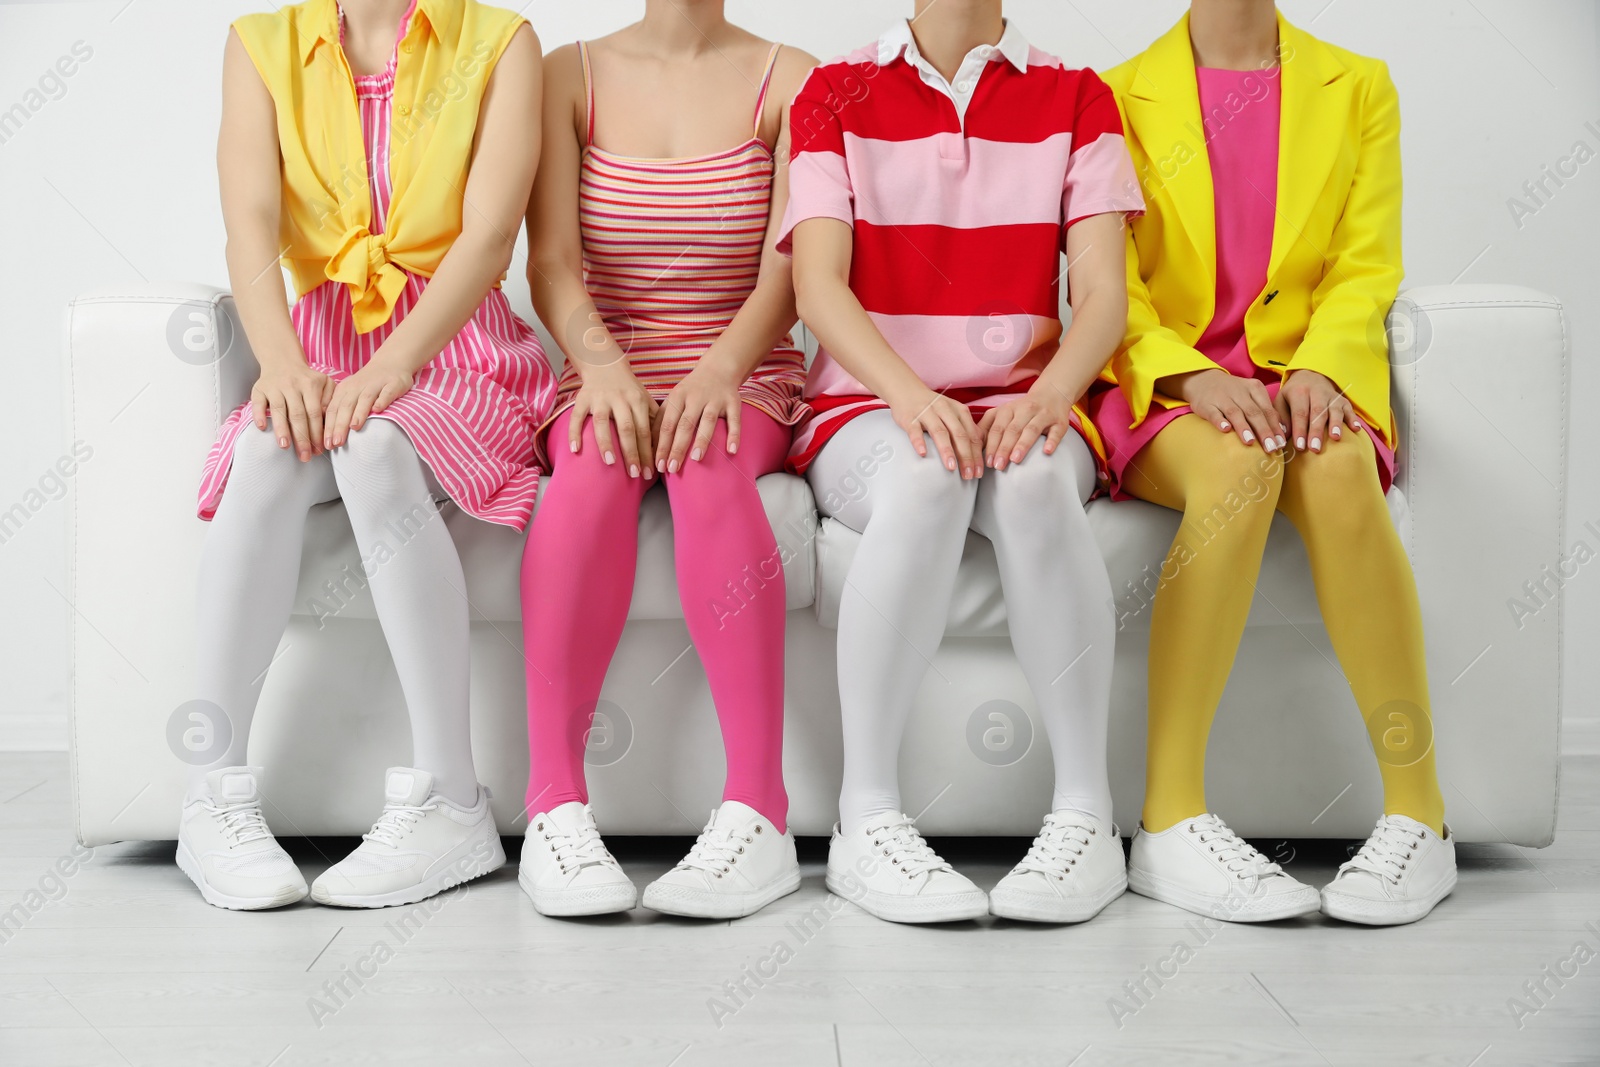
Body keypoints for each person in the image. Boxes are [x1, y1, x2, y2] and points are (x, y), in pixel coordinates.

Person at [178, 0, 555, 910]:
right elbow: (252, 225)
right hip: (317, 341)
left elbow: (489, 236)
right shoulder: (259, 45)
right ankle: (210, 792)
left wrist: (392, 366)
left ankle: (450, 796)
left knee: (378, 447)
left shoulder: (499, 41)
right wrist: (282, 367)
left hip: (455, 349)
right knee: (270, 453)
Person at [1092, 1, 1454, 925]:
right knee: (1239, 469)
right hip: (1171, 393)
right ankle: (1167, 817)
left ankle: (1421, 816)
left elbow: (1365, 265)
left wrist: (1326, 365)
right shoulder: (1115, 95)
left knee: (1336, 470)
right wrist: (1187, 374)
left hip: (1312, 376)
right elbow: (1106, 285)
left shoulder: (1358, 83)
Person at [785, 0, 1144, 924]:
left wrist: (1052, 394)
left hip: (1028, 401)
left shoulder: (1077, 97)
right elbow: (817, 285)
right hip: (871, 406)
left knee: (1029, 487)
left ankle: (1084, 819)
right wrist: (910, 396)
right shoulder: (834, 93)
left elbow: (1102, 294)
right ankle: (866, 815)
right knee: (929, 473)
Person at [515, 0, 816, 920]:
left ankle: (759, 808)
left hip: (742, 367)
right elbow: (552, 264)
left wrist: (721, 369)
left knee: (708, 462)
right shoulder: (570, 74)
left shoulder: (792, 77)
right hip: (606, 360)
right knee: (590, 471)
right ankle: (554, 808)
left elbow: (790, 268)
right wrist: (601, 365)